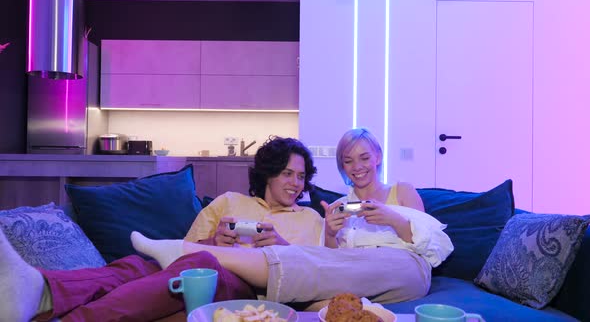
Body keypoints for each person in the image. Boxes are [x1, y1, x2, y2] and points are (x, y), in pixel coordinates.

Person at [0, 136, 324, 322]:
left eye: (300, 176)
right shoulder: (228, 201)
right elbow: (180, 249)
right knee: (141, 264)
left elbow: (319, 273)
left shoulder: (310, 219)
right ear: (268, 174)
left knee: (203, 266)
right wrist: (215, 240)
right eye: (286, 173)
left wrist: (281, 246)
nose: (295, 183)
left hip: (246, 287)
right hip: (199, 264)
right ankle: (38, 288)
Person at [131, 128, 453, 306]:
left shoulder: (402, 191)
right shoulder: (337, 207)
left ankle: (181, 251)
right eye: (348, 161)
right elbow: (334, 263)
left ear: (379, 156)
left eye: (365, 157)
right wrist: (330, 232)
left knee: (360, 267)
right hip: (353, 274)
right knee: (320, 295)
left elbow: (430, 245)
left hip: (402, 265)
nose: (358, 166)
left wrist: (391, 217)